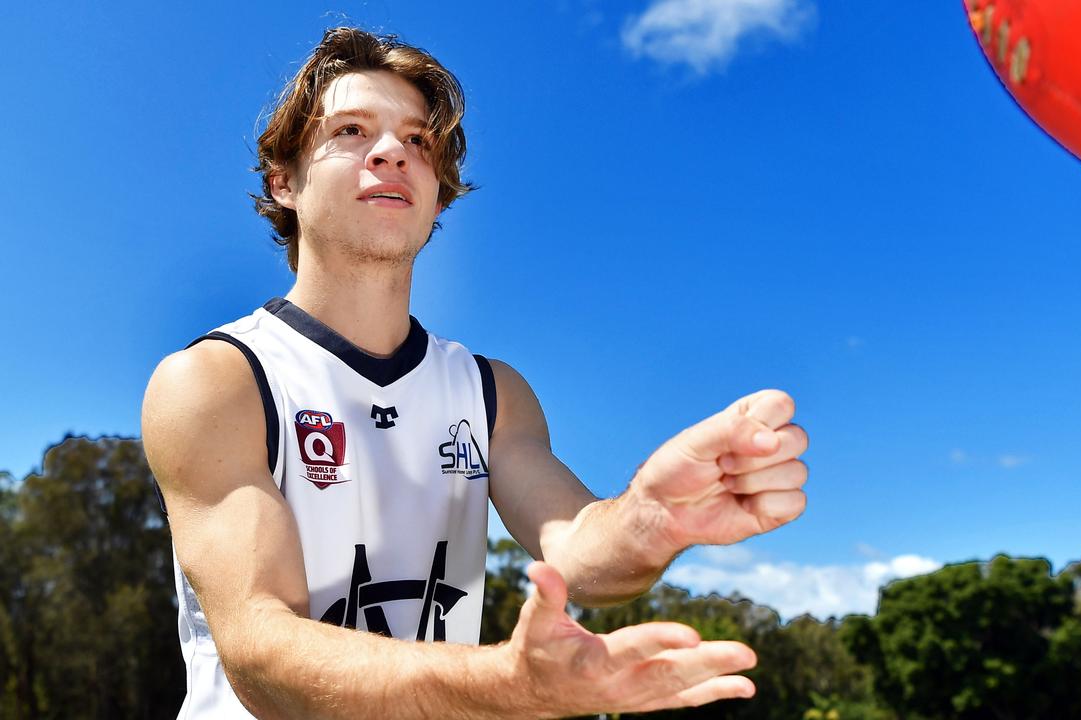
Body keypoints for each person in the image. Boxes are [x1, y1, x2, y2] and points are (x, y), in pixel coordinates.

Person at [141, 27, 808, 719]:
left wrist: (649, 519)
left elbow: (577, 550)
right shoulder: (218, 380)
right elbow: (260, 650)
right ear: (285, 182)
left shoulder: (492, 394)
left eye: (418, 141)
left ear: (437, 195)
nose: (392, 151)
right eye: (350, 129)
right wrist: (506, 686)